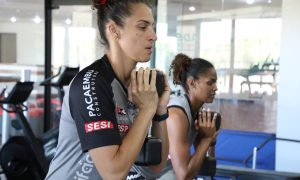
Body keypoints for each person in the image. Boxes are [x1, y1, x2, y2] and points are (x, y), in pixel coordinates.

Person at [45, 0, 170, 179]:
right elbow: (114, 173)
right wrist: (147, 109)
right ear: (114, 30)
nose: (153, 36)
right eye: (143, 27)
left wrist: (159, 111)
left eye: (152, 27)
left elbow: (155, 167)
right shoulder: (91, 83)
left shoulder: (138, 87)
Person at [159, 53, 219, 180]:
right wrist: (206, 139)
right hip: (142, 175)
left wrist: (210, 141)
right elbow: (184, 176)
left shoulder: (197, 111)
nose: (215, 88)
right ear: (192, 83)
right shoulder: (176, 115)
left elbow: (200, 162)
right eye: (210, 83)